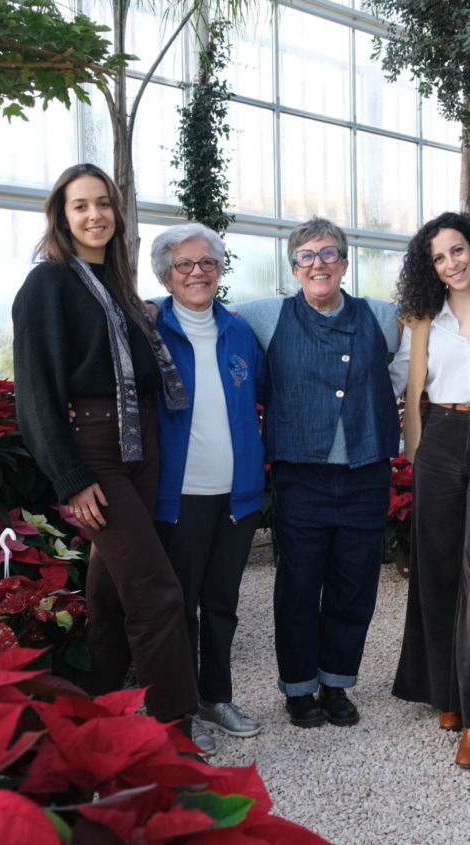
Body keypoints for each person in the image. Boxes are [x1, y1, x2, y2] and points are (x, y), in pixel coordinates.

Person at [11, 163, 200, 741]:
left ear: (117, 214)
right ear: (62, 217)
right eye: (80, 206)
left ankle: (96, 718)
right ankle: (175, 736)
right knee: (155, 590)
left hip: (140, 443)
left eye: (103, 204)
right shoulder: (49, 284)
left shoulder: (118, 288)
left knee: (111, 591)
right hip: (95, 450)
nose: (94, 215)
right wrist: (70, 476)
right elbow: (36, 389)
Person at [233, 217, 400, 728]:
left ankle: (336, 684)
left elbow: (439, 318)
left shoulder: (383, 315)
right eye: (306, 256)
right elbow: (199, 308)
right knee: (299, 586)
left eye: (328, 254)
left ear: (345, 263)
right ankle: (299, 689)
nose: (318, 264)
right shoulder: (266, 316)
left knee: (354, 587)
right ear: (293, 267)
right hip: (300, 475)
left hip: (365, 473)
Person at [388, 212, 470, 769]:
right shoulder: (420, 321)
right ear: (431, 269)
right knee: (438, 567)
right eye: (439, 257)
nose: (452, 263)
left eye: (459, 250)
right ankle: (444, 690)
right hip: (440, 437)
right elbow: (398, 377)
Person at [149, 223, 268, 754]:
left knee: (222, 602)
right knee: (181, 606)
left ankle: (215, 698)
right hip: (180, 496)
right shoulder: (150, 329)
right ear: (166, 275)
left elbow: (258, 392)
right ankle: (178, 710)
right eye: (185, 265)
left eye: (208, 263)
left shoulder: (238, 331)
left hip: (237, 495)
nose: (198, 273)